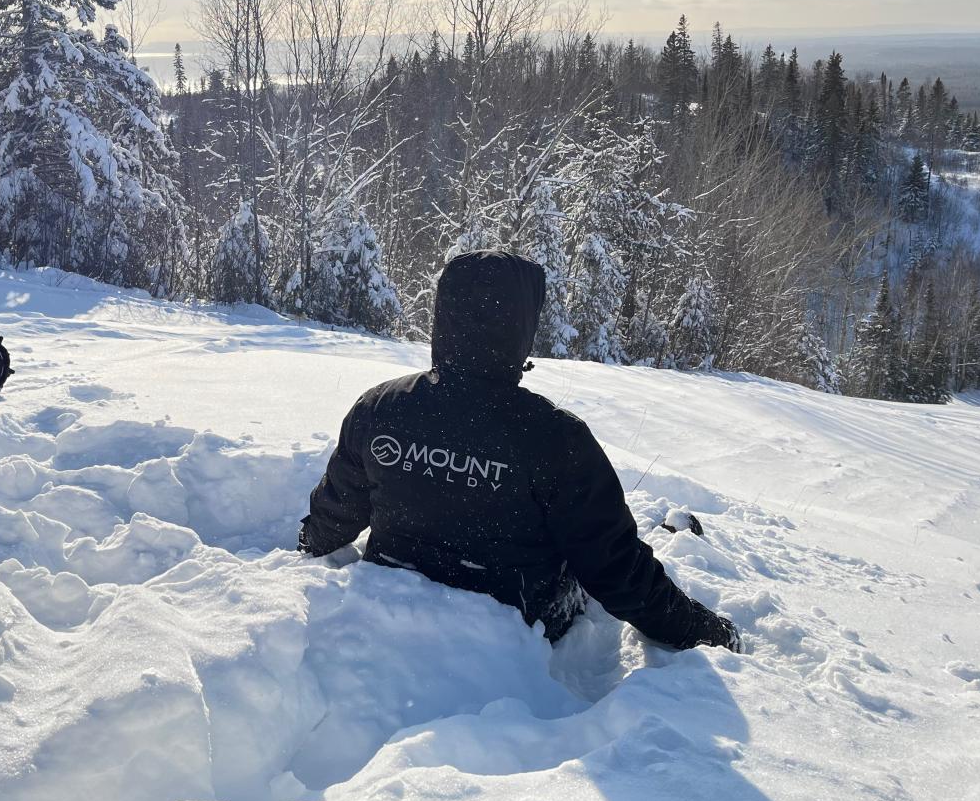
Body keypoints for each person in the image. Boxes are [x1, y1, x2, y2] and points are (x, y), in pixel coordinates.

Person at [298, 249, 742, 652]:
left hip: (388, 610)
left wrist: (306, 543)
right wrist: (704, 630)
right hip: (513, 634)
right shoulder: (555, 438)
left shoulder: (381, 408)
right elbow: (616, 572)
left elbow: (333, 516)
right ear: (522, 326)